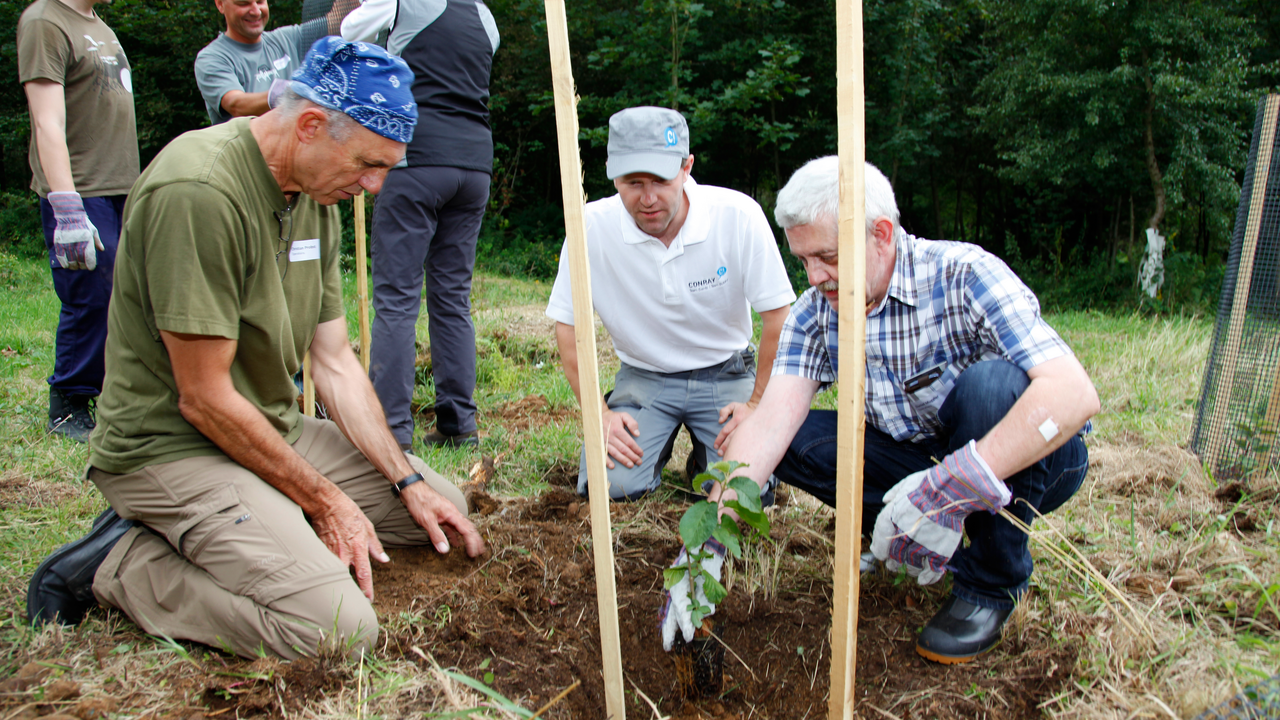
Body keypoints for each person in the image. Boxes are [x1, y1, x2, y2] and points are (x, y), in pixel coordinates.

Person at [25, 38, 485, 660]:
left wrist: (405, 479)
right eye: (369, 164)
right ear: (311, 124)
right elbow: (204, 399)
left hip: (268, 426)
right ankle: (123, 565)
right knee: (337, 633)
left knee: (438, 512)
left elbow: (333, 361)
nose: (374, 187)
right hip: (171, 447)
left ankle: (262, 515)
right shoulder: (200, 191)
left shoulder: (316, 191)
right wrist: (325, 502)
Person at [661, 156, 1099, 664]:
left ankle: (988, 586)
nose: (815, 275)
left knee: (991, 385)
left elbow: (1073, 394)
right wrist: (703, 548)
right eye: (803, 259)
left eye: (827, 256)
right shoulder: (815, 313)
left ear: (882, 234)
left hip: (1029, 460)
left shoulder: (964, 275)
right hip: (913, 457)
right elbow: (771, 424)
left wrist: (949, 489)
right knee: (792, 440)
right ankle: (905, 532)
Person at [546, 106, 796, 501]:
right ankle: (654, 444)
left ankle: (706, 458)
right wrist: (600, 415)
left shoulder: (737, 215)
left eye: (661, 181)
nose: (648, 199)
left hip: (725, 374)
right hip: (645, 377)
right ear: (612, 174)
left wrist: (756, 404)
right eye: (632, 182)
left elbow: (779, 316)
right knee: (611, 488)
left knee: (746, 491)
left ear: (686, 167)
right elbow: (567, 325)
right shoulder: (589, 226)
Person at [340, 0, 499, 449]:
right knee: (451, 298)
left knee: (396, 299)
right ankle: (459, 424)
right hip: (474, 166)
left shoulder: (403, 1)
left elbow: (351, 29)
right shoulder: (486, 17)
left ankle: (390, 431)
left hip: (416, 160)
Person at [18, 0, 139, 443]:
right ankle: (69, 400)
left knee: (125, 295)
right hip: (80, 189)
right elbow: (46, 120)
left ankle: (116, 394)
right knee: (91, 292)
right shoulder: (45, 21)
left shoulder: (96, 22)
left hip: (120, 184)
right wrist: (66, 206)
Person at [195, 0, 356, 125]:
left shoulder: (289, 38)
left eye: (260, 2)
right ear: (220, 4)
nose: (255, 11)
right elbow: (237, 104)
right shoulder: (212, 57)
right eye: (243, 3)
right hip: (251, 163)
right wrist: (294, 90)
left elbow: (341, 20)